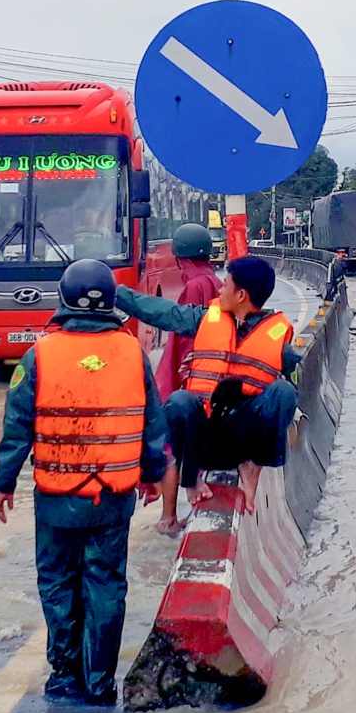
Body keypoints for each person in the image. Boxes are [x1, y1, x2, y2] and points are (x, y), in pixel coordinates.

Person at [0, 258, 167, 707]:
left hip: (55, 499)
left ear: (64, 299)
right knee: (106, 585)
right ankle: (100, 683)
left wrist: (4, 482)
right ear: (111, 301)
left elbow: (17, 426)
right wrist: (150, 476)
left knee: (57, 583)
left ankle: (65, 676)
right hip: (113, 498)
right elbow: (153, 424)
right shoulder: (132, 352)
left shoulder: (39, 355)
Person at [115, 255, 299, 512]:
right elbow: (160, 311)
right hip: (204, 438)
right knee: (179, 401)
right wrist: (115, 292)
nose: (220, 289)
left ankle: (252, 467)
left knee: (284, 392)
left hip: (242, 439)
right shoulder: (203, 319)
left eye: (226, 285)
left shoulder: (278, 340)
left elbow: (291, 394)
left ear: (241, 295)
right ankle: (191, 479)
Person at [152, 224, 223, 536]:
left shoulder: (192, 287)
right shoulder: (218, 282)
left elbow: (183, 342)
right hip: (215, 379)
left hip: (190, 380)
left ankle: (167, 518)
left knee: (171, 446)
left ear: (180, 260)